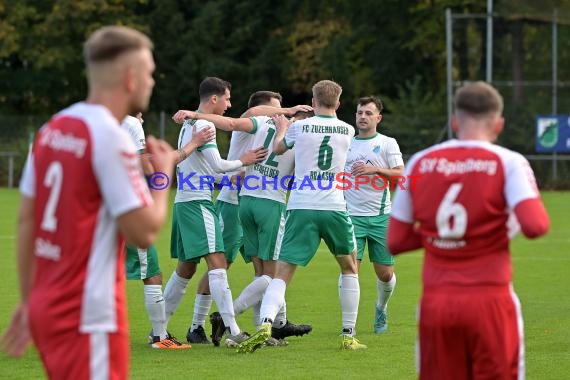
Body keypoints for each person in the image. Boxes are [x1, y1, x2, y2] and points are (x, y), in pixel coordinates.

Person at [0, 26, 177, 379]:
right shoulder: (111, 139)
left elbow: (26, 220)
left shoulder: (53, 129)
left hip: (50, 305)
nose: (153, 82)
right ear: (130, 78)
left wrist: (29, 298)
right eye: (150, 73)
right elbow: (144, 231)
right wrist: (163, 174)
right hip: (90, 316)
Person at [387, 81, 550, 380]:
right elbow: (536, 225)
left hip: (437, 301)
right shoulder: (508, 162)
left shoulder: (421, 162)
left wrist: (437, 234)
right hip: (490, 298)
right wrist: (481, 231)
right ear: (498, 125)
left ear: (454, 121)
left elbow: (395, 241)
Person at [237, 79, 367, 353]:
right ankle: (347, 334)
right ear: (339, 103)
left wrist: (283, 128)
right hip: (333, 205)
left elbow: (279, 149)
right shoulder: (347, 129)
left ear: (313, 100)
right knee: (349, 267)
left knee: (282, 274)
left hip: (301, 205)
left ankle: (265, 325)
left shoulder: (300, 126)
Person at [176, 95, 314, 346]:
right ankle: (199, 325)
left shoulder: (269, 128)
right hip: (234, 203)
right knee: (221, 264)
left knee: (260, 271)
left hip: (248, 201)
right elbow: (250, 112)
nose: (277, 113)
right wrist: (288, 111)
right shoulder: (257, 121)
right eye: (275, 107)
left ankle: (270, 326)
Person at [162, 77, 267, 348]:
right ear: (214, 99)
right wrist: (243, 162)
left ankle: (159, 329)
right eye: (227, 99)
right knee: (218, 265)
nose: (229, 104)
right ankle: (233, 329)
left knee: (185, 269)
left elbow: (201, 167)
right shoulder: (205, 123)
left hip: (185, 202)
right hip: (198, 204)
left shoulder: (188, 124)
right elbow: (218, 165)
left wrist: (224, 180)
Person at [120, 112, 214, 349]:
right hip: (128, 210)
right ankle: (160, 337)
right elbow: (147, 170)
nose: (142, 117)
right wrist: (192, 145)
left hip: (100, 208)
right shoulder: (130, 122)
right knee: (151, 274)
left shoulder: (101, 118)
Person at [344, 96, 403, 333]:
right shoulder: (346, 142)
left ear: (378, 118)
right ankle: (349, 326)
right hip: (350, 217)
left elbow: (400, 175)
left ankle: (381, 307)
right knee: (350, 270)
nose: (363, 117)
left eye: (368, 113)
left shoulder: (388, 143)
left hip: (381, 217)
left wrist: (374, 169)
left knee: (385, 273)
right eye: (360, 113)